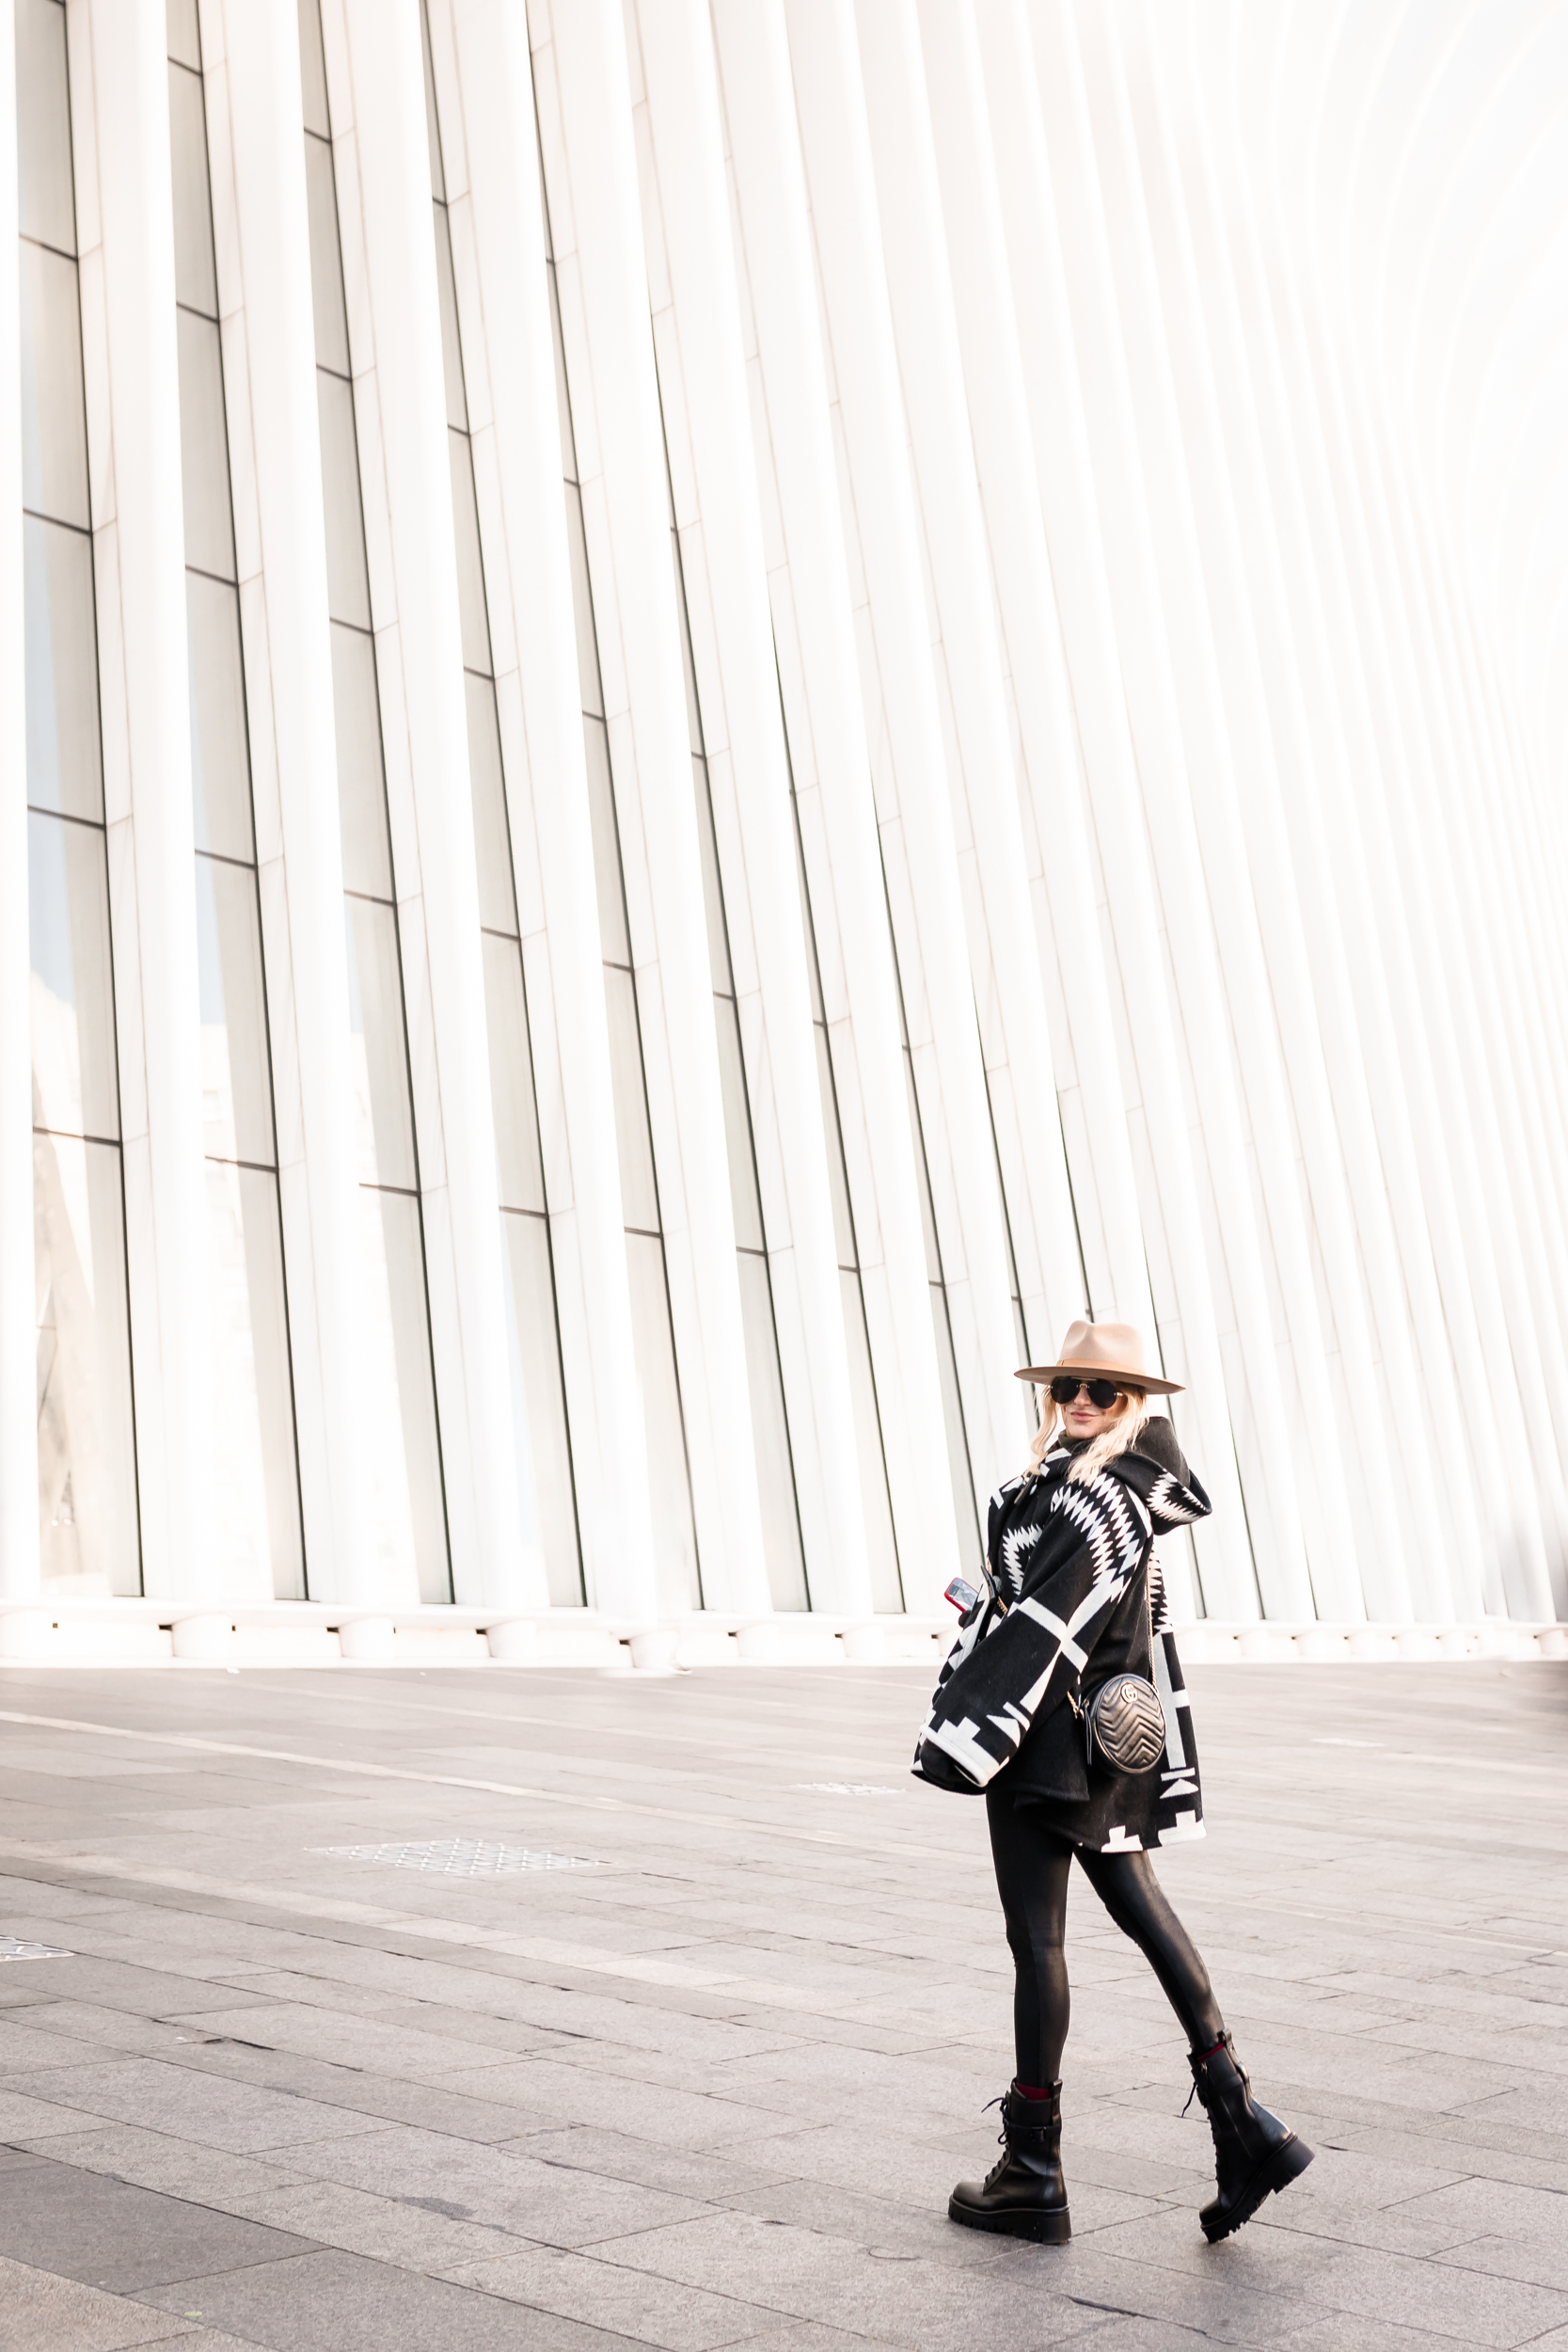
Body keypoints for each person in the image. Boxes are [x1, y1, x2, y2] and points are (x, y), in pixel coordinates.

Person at [913, 1320, 1311, 2247]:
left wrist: (979, 1713)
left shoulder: (1084, 1499)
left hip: (1045, 1734)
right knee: (1140, 1909)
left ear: (1132, 1404)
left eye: (1101, 1388)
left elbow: (1047, 1622)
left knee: (1036, 1944)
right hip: (1107, 1737)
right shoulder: (1115, 1495)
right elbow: (1124, 1618)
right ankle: (1239, 2118)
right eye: (1067, 1388)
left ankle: (1033, 2169)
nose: (1080, 1401)